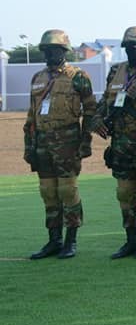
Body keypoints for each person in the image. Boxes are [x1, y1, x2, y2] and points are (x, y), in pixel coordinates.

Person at [91, 26, 136, 259]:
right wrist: (96, 120)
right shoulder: (116, 72)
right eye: (129, 47)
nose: (133, 51)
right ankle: (130, 240)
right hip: (121, 144)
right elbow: (105, 101)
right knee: (124, 193)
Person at [23, 29, 96, 259]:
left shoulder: (78, 76)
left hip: (68, 142)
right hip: (42, 143)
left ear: (64, 51)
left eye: (53, 50)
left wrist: (86, 142)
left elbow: (91, 112)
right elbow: (31, 116)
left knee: (67, 190)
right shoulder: (38, 78)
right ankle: (53, 240)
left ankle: (70, 241)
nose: (49, 54)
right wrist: (29, 146)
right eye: (46, 50)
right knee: (48, 192)